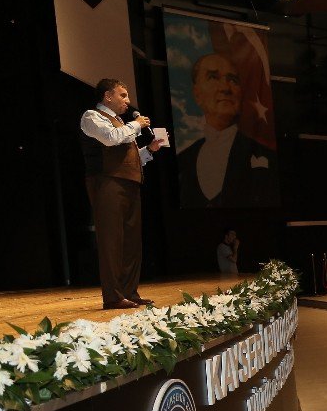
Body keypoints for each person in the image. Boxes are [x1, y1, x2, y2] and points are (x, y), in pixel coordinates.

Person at [80, 78, 164, 309]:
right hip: (106, 182)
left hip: (129, 182)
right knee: (111, 240)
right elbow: (110, 139)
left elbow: (130, 156)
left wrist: (149, 150)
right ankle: (113, 296)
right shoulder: (92, 117)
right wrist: (137, 124)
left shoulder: (120, 122)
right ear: (108, 96)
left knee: (131, 242)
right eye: (123, 95)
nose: (127, 101)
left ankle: (129, 292)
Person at [177, 53, 277, 208]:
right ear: (197, 94)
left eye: (233, 80)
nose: (225, 88)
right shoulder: (182, 162)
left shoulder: (265, 156)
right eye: (213, 77)